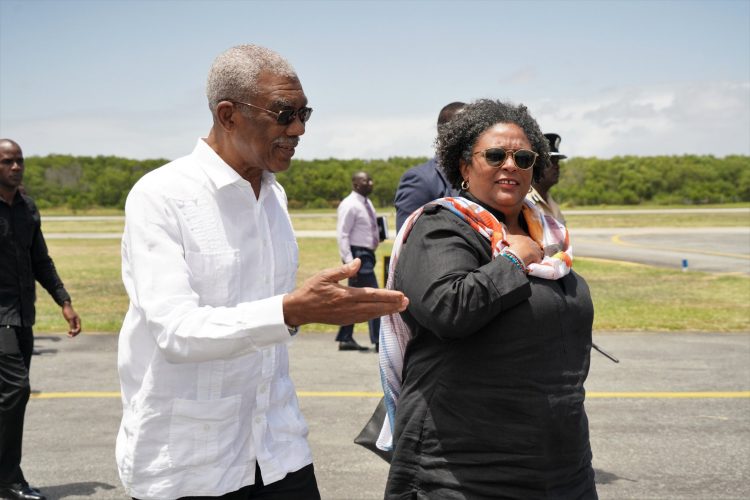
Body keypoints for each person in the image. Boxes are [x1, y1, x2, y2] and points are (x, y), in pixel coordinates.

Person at [116, 45, 407, 500]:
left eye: (304, 112)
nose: (299, 129)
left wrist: (303, 310)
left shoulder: (274, 198)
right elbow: (176, 331)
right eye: (284, 113)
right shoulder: (161, 196)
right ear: (228, 115)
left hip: (277, 447)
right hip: (191, 461)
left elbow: (267, 323)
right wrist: (290, 311)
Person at [380, 99, 597, 498]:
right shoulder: (442, 226)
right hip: (466, 467)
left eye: (524, 157)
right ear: (463, 165)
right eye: (495, 155)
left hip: (559, 464)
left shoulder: (549, 237)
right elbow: (448, 307)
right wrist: (513, 261)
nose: (510, 165)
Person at [0, 139, 82, 500]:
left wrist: (64, 301)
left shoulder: (27, 209)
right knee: (15, 391)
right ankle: (8, 480)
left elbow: (41, 261)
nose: (16, 167)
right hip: (0, 318)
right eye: (7, 162)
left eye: (19, 161)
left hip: (23, 317)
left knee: (10, 396)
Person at [393, 102, 465, 232]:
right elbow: (407, 242)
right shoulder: (420, 180)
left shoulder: (482, 176)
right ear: (444, 133)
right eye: (467, 128)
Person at [335, 171, 381, 352]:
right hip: (357, 256)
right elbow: (343, 234)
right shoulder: (350, 205)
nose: (371, 182)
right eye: (366, 180)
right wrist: (349, 263)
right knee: (374, 296)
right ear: (355, 184)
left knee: (354, 298)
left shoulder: (366, 203)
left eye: (370, 179)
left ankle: (346, 338)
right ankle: (379, 341)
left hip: (367, 254)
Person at [527, 132, 567, 223]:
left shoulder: (551, 202)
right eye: (551, 162)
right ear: (535, 164)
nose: (557, 166)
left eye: (557, 162)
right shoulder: (524, 202)